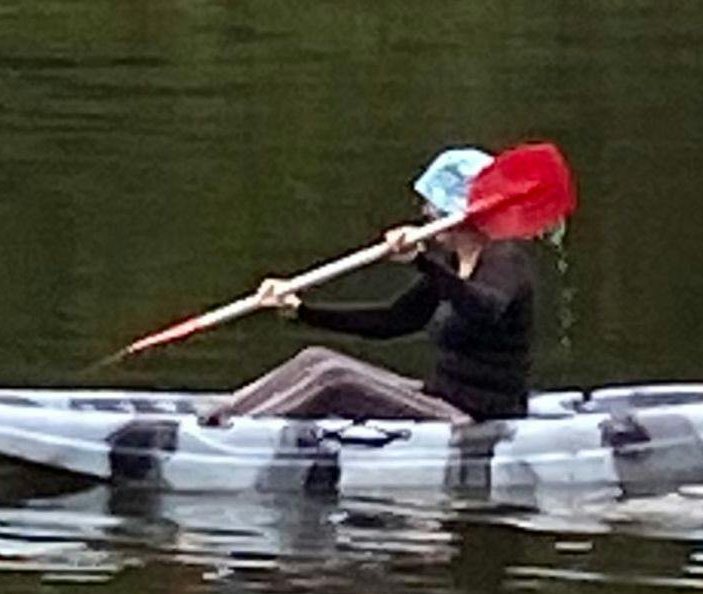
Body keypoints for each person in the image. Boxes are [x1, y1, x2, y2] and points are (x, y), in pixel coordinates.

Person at [208, 147, 536, 427]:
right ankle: (222, 416)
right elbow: (391, 321)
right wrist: (302, 311)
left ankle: (235, 437)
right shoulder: (451, 264)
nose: (425, 213)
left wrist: (419, 261)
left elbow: (484, 307)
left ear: (457, 212)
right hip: (441, 395)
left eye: (432, 205)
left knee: (336, 382)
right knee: (316, 359)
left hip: (479, 416)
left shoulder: (505, 261)